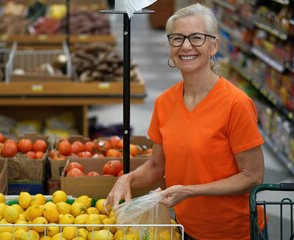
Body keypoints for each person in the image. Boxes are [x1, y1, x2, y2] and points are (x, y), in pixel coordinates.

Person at [105, 3, 266, 240]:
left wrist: (190, 191)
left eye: (196, 38)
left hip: (235, 233)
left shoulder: (236, 103)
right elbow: (157, 167)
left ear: (214, 46)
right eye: (177, 38)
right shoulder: (164, 103)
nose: (186, 46)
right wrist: (127, 178)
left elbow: (253, 176)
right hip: (184, 228)